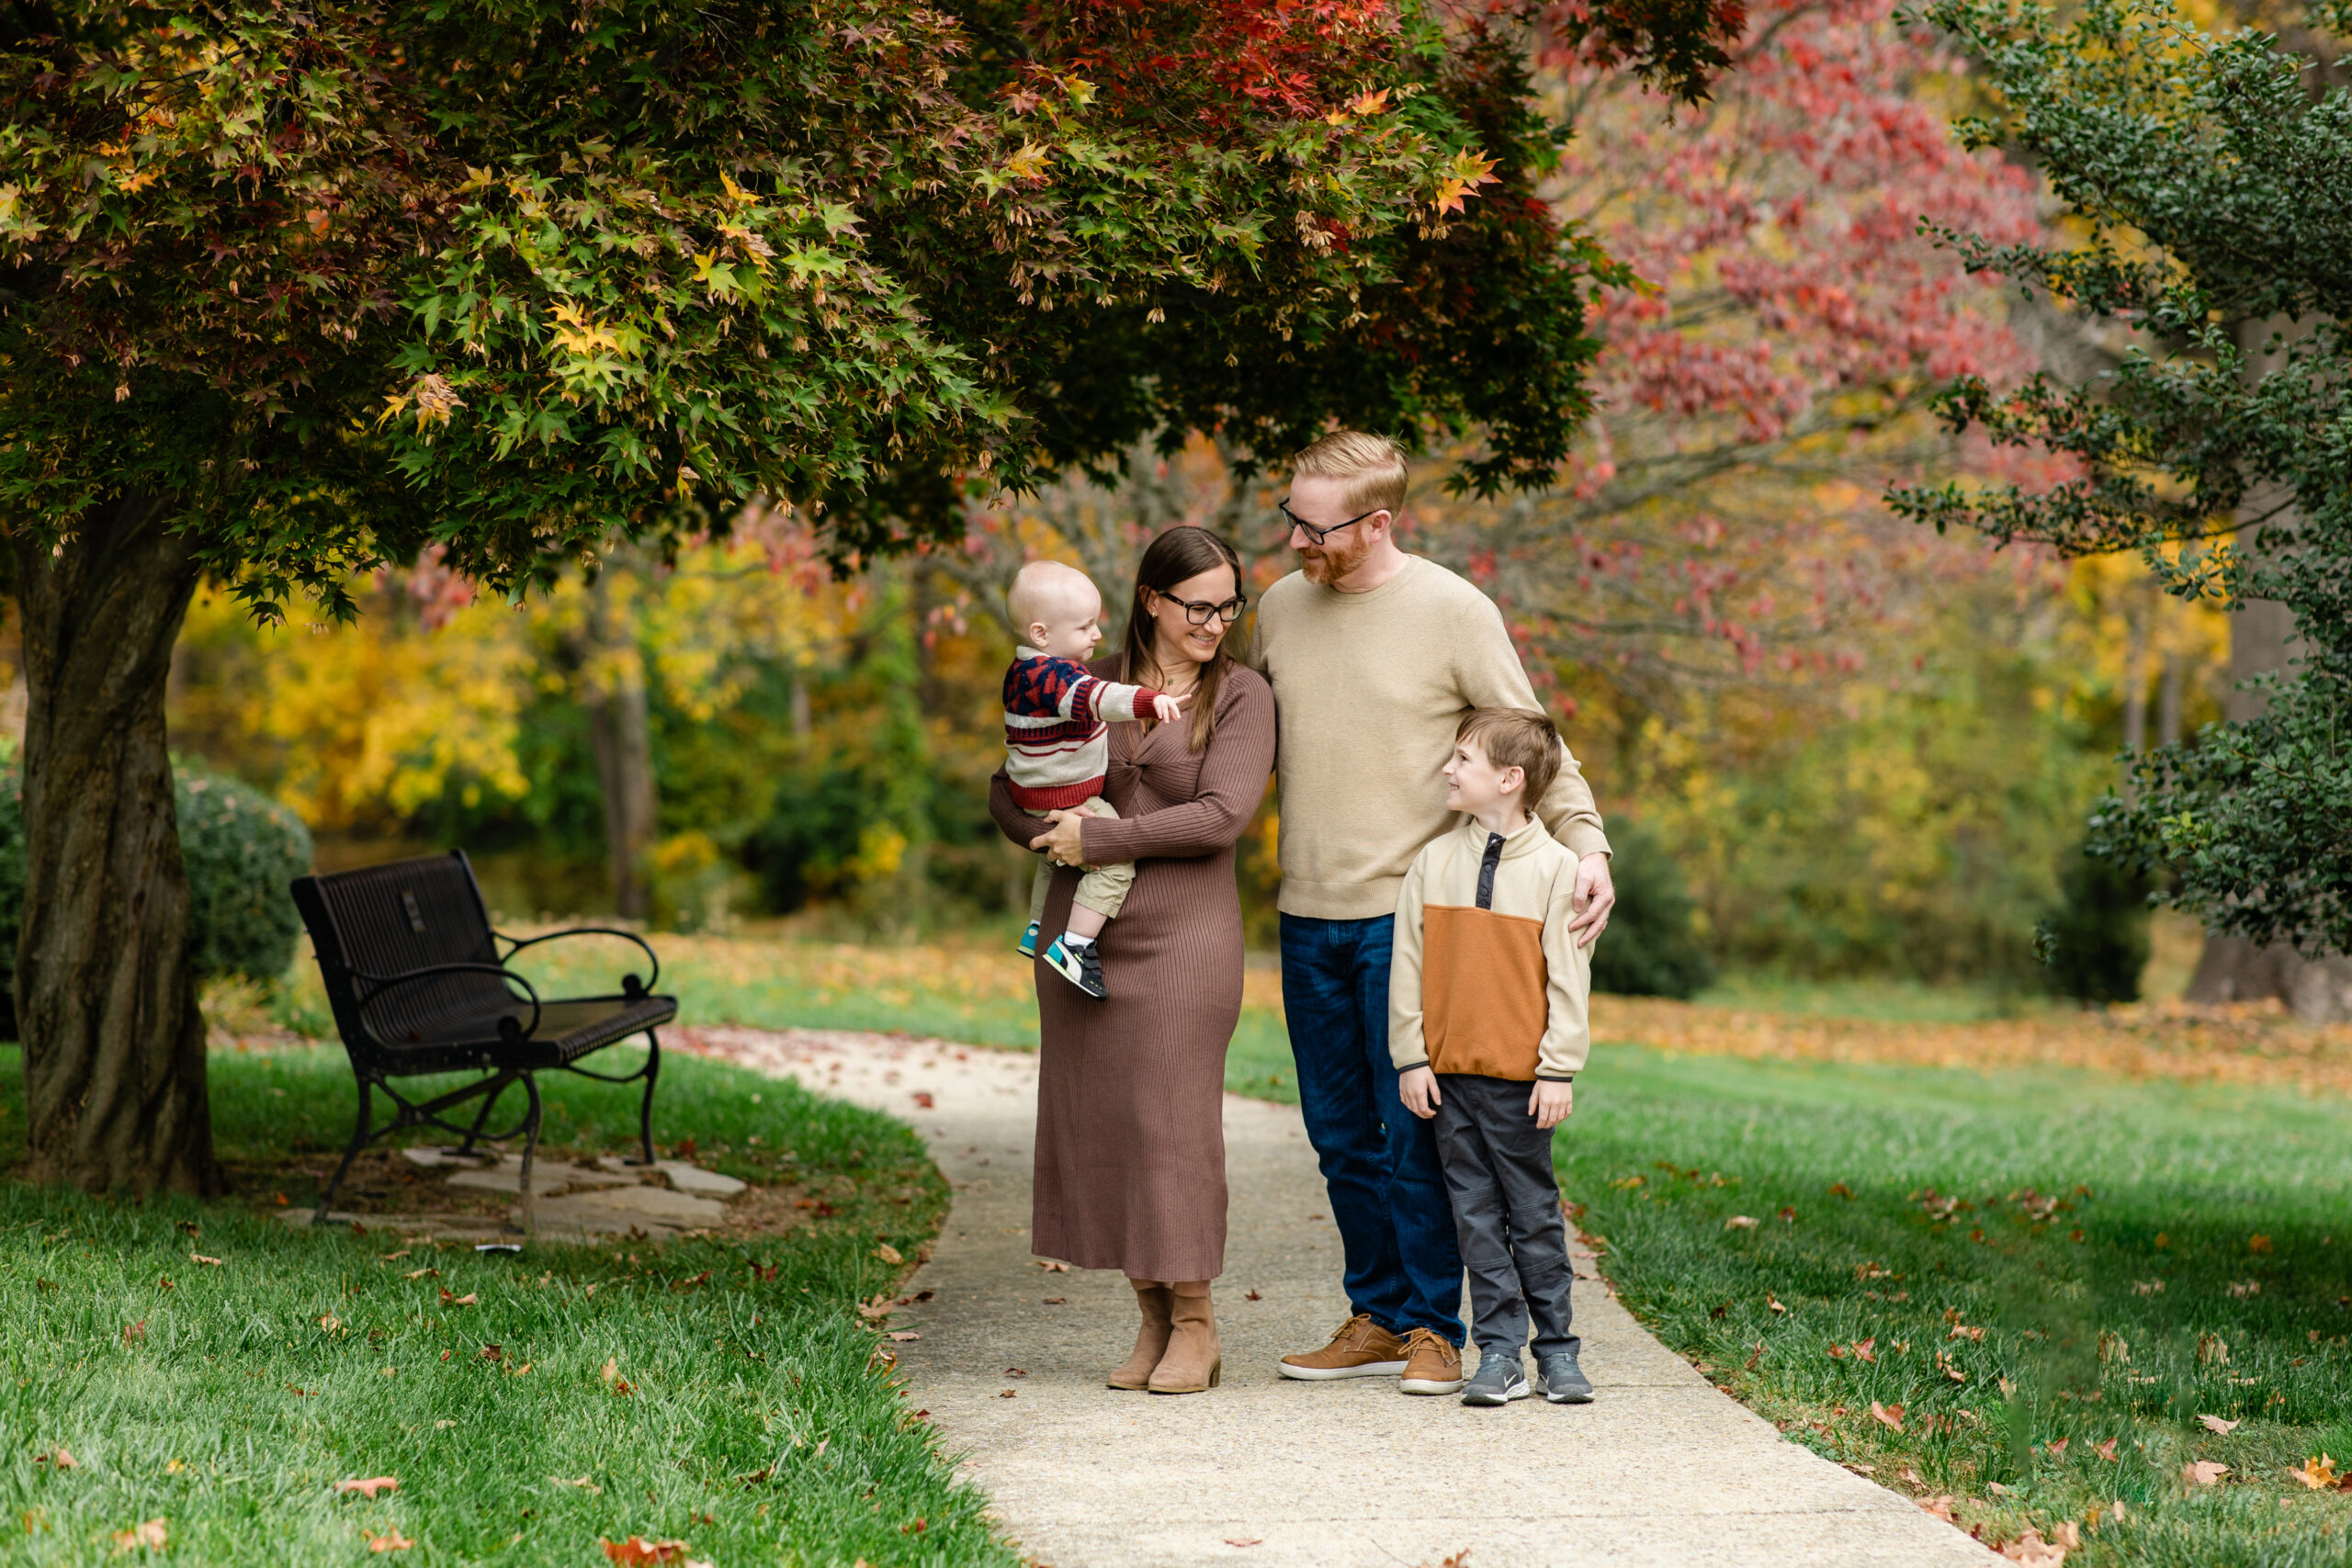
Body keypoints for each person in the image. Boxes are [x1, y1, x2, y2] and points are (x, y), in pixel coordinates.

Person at [1248, 430, 1615, 1397]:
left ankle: (1432, 1326)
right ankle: (1374, 1312)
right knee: (1337, 1139)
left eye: (1313, 526)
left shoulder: (1453, 610)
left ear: (1376, 524)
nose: (1294, 541)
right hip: (1304, 912)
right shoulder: (1280, 610)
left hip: (1410, 920)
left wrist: (1589, 847)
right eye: (1288, 516)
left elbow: (1535, 742)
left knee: (1412, 1135)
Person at [989, 526, 1274, 1395]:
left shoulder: (1244, 696)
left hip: (1186, 937)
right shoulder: (1080, 680)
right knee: (1106, 1125)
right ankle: (1149, 1322)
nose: (1216, 621)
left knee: (1172, 1127)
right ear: (1152, 599)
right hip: (1082, 937)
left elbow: (1221, 817)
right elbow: (1010, 778)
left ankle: (1197, 1322)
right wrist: (1039, 828)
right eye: (1199, 604)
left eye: (1229, 605)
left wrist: (1103, 833)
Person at [1392, 708, 1597, 1407]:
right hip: (1449, 1082)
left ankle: (1559, 1354)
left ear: (1509, 780)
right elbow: (1408, 966)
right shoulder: (1433, 861)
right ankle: (1501, 1351)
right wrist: (1411, 1056)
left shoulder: (1557, 868)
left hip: (1522, 1085)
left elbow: (1569, 977)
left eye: (1464, 760)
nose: (1449, 769)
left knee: (1534, 1216)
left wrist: (1558, 1066)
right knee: (1475, 1219)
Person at [1001, 559, 1190, 998]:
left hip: (1034, 793)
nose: (1097, 635)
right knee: (1115, 860)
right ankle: (1075, 945)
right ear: (1041, 634)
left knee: (1054, 855)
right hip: (1063, 795)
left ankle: (1036, 927)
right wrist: (1149, 701)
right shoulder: (1051, 677)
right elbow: (1095, 697)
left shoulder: (1020, 671)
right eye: (1085, 627)